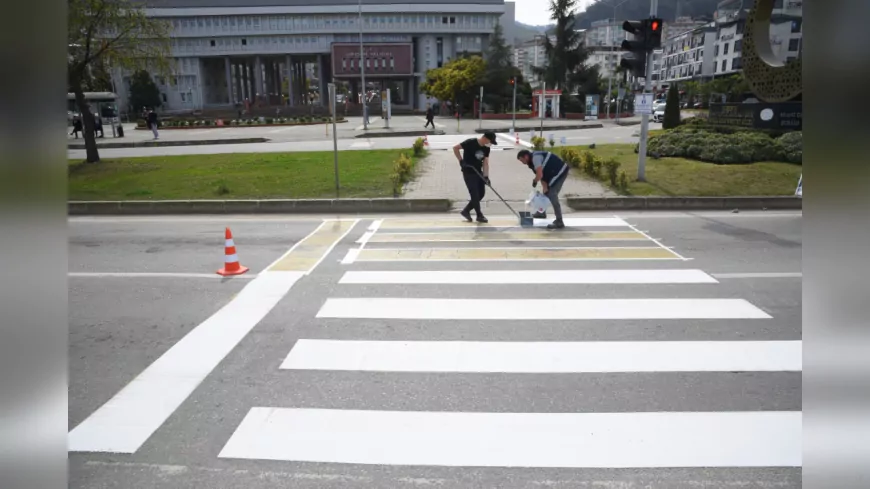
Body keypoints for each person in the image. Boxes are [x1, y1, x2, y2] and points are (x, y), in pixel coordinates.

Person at [517, 149, 569, 229]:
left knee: (552, 195)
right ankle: (541, 213)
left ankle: (559, 221)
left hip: (560, 172)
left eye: (522, 160)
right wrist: (545, 187)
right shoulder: (531, 162)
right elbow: (542, 175)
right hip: (551, 172)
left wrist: (535, 180)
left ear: (526, 156)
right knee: (546, 192)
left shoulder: (535, 158)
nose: (522, 163)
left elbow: (540, 174)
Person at [453, 131, 498, 223]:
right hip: (468, 172)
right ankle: (479, 215)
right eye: (490, 141)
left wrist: (486, 177)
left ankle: (466, 211)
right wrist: (461, 161)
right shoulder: (471, 142)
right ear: (485, 138)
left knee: (481, 194)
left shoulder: (486, 149)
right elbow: (455, 148)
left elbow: (485, 163)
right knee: (474, 194)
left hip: (478, 172)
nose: (490, 144)